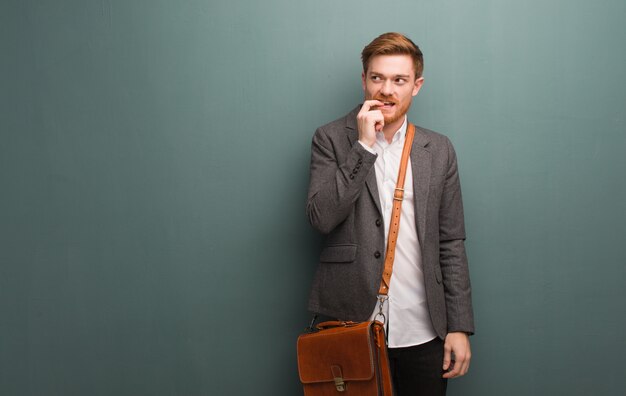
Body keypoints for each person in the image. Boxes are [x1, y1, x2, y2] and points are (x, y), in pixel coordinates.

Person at [305, 32, 474, 395]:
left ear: (417, 85)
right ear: (364, 80)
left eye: (399, 80)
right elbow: (321, 217)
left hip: (424, 330)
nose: (386, 90)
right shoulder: (331, 138)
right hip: (349, 323)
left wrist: (458, 326)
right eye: (378, 78)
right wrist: (364, 147)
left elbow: (451, 241)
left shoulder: (439, 149)